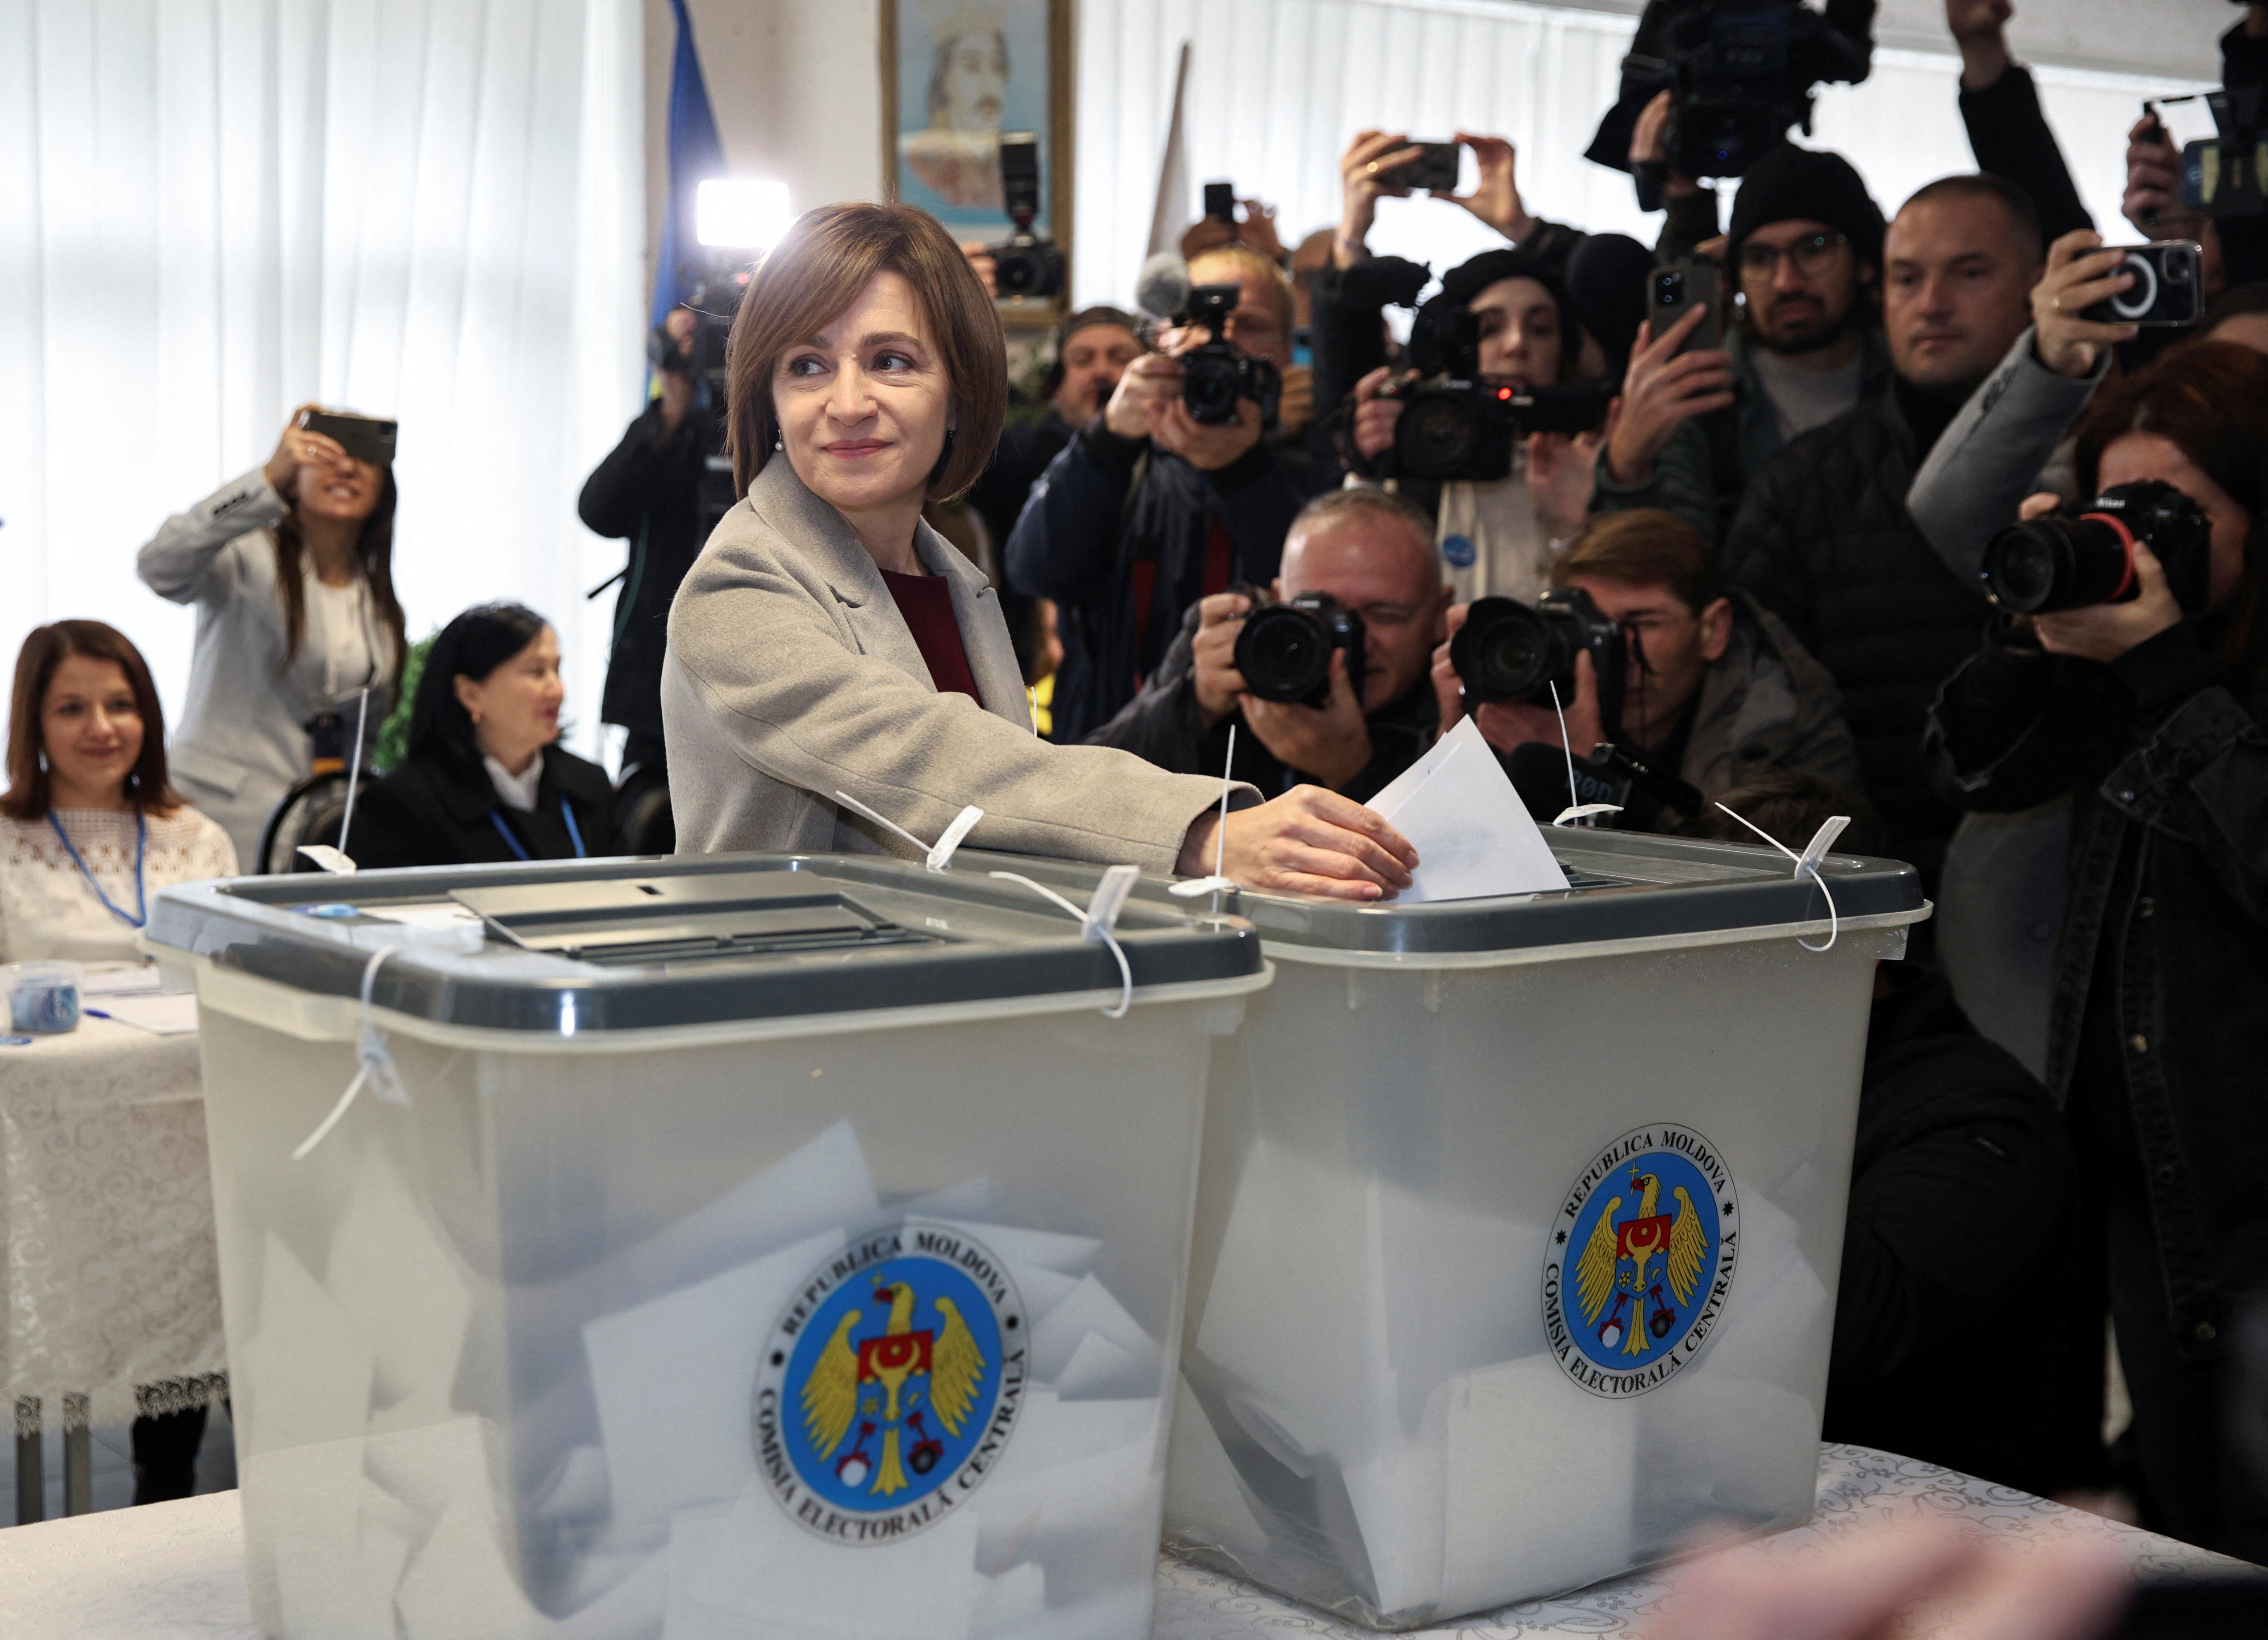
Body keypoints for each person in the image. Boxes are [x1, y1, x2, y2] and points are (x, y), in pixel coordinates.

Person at [662, 201, 1417, 900]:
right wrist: (1201, 831)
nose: (849, 402)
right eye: (807, 364)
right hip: (787, 1024)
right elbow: (925, 760)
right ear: (768, 396)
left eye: (891, 360)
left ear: (958, 392)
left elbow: (998, 825)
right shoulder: (739, 584)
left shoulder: (954, 578)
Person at [1925, 340, 2268, 1558]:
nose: (2133, 537)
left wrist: (2168, 675)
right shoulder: (2122, 662)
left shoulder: (2187, 677)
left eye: (2170, 511)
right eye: (2111, 507)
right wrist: (2027, 628)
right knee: (2182, 1521)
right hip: (2140, 1186)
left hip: (2250, 1203)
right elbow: (1971, 765)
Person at [1687, 778, 2078, 1498]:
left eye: (1738, 950)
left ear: (1858, 945)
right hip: (1728, 1497)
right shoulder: (1727, 1070)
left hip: (1935, 1532)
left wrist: (1709, 1115)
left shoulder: (1984, 1115)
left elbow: (1858, 1332)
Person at [1720, 173, 2051, 887]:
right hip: (1864, 899)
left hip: (2064, 894)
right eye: (1907, 278)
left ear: (2038, 284)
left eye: (1969, 273)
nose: (1931, 304)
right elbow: (1759, 739)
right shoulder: (1801, 485)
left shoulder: (2103, 458)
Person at [0, 620, 236, 1505]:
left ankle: (163, 1483)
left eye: (121, 703)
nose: (101, 725)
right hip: (45, 1142)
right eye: (72, 707)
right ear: (33, 722)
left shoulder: (196, 837)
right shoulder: (4, 837)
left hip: (181, 1127)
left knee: (183, 1310)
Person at [1004, 243, 1321, 746]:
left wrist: (1242, 472)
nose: (1222, 339)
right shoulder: (1116, 460)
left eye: (1251, 324)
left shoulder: (1310, 472)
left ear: (1285, 352)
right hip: (1111, 757)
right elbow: (1035, 570)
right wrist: (1107, 440)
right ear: (1162, 338)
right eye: (1193, 320)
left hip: (1259, 764)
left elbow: (1310, 598)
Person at [1436, 509, 1861, 830]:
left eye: (1639, 624)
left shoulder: (1785, 726)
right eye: (1594, 627)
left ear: (1713, 629)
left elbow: (1751, 903)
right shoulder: (1528, 703)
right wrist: (1449, 755)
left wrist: (1590, 781)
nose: (1616, 650)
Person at [137, 407, 407, 867]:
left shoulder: (376, 595)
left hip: (317, 823)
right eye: (326, 454)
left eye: (364, 456)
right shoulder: (243, 557)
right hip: (216, 809)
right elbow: (159, 565)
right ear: (292, 476)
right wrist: (264, 478)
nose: (345, 466)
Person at [1594, 143, 1892, 545]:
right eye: (1760, 258)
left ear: (1865, 263)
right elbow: (1675, 569)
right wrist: (1627, 466)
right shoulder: (1701, 398)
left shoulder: (1912, 381)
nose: (1786, 282)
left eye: (1813, 249)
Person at [1087, 488, 1447, 804]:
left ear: (1439, 616)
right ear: (1277, 601)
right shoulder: (1236, 642)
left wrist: (1354, 771)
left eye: (1385, 615)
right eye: (1320, 611)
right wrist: (1194, 706)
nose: (1351, 638)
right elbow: (1084, 790)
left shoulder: (1462, 686)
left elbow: (1461, 864)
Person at [1345, 249, 1605, 606]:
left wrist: (1572, 531)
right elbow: (1356, 582)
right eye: (1488, 329)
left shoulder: (1591, 462)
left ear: (1563, 348)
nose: (1516, 345)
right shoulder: (1413, 460)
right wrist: (1366, 469)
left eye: (1541, 329)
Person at [577, 306, 727, 838]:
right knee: (646, 835)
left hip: (749, 692)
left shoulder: (789, 439)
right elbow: (598, 510)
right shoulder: (674, 435)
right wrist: (671, 404)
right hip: (658, 686)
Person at [347, 605, 623, 871]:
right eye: (537, 672)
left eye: (557, 670)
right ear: (471, 695)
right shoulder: (404, 804)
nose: (557, 690)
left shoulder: (590, 786)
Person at [900, 17, 1008, 209]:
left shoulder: (1005, 158)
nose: (989, 85)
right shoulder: (923, 158)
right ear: (944, 80)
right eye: (972, 66)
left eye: (997, 67)